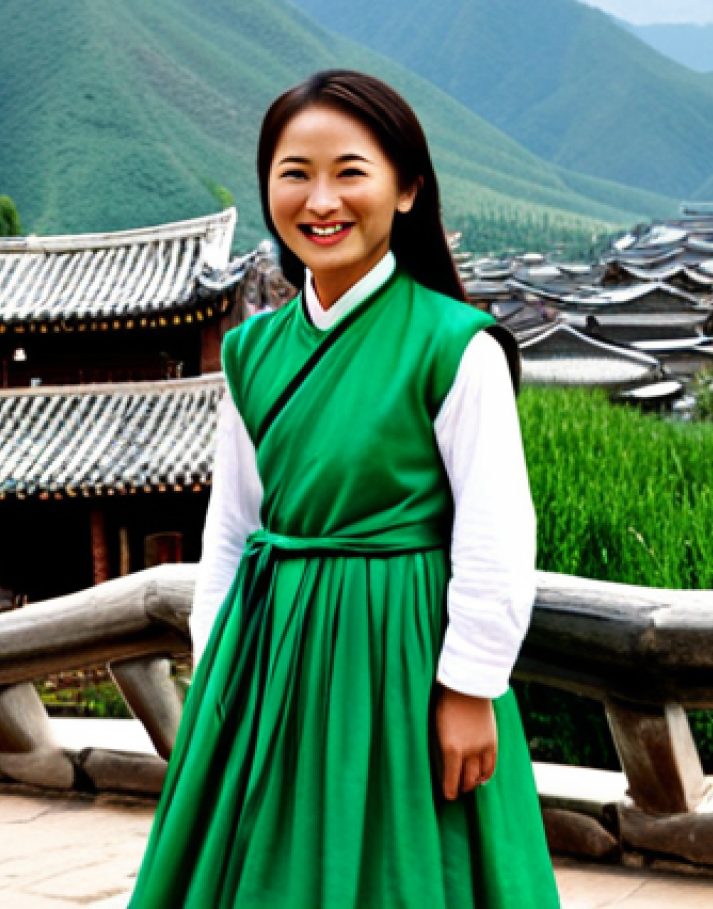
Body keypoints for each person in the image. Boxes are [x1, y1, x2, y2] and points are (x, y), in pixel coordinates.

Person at [128, 70, 559, 908]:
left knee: (403, 869)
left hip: (400, 656)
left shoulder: (452, 345)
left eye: (350, 172)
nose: (320, 200)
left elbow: (497, 531)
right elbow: (232, 529)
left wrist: (471, 688)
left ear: (407, 189)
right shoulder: (253, 353)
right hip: (269, 655)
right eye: (295, 173)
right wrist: (221, 662)